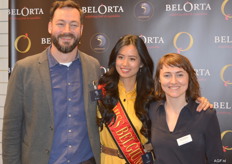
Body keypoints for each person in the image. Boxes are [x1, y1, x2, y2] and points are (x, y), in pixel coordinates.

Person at [2, 1, 100, 164]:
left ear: (81, 29)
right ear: (50, 27)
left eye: (73, 25)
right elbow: (11, 130)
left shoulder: (93, 66)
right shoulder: (24, 69)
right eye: (60, 24)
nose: (67, 31)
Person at [96, 35, 212, 164]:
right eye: (120, 57)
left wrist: (197, 100)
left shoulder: (152, 97)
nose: (125, 64)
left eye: (132, 59)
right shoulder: (101, 92)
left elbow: (178, 102)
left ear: (141, 63)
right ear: (114, 59)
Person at [149, 53, 224, 164]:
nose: (173, 81)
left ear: (189, 78)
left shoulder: (206, 115)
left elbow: (218, 159)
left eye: (179, 75)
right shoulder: (152, 109)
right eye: (167, 75)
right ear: (159, 79)